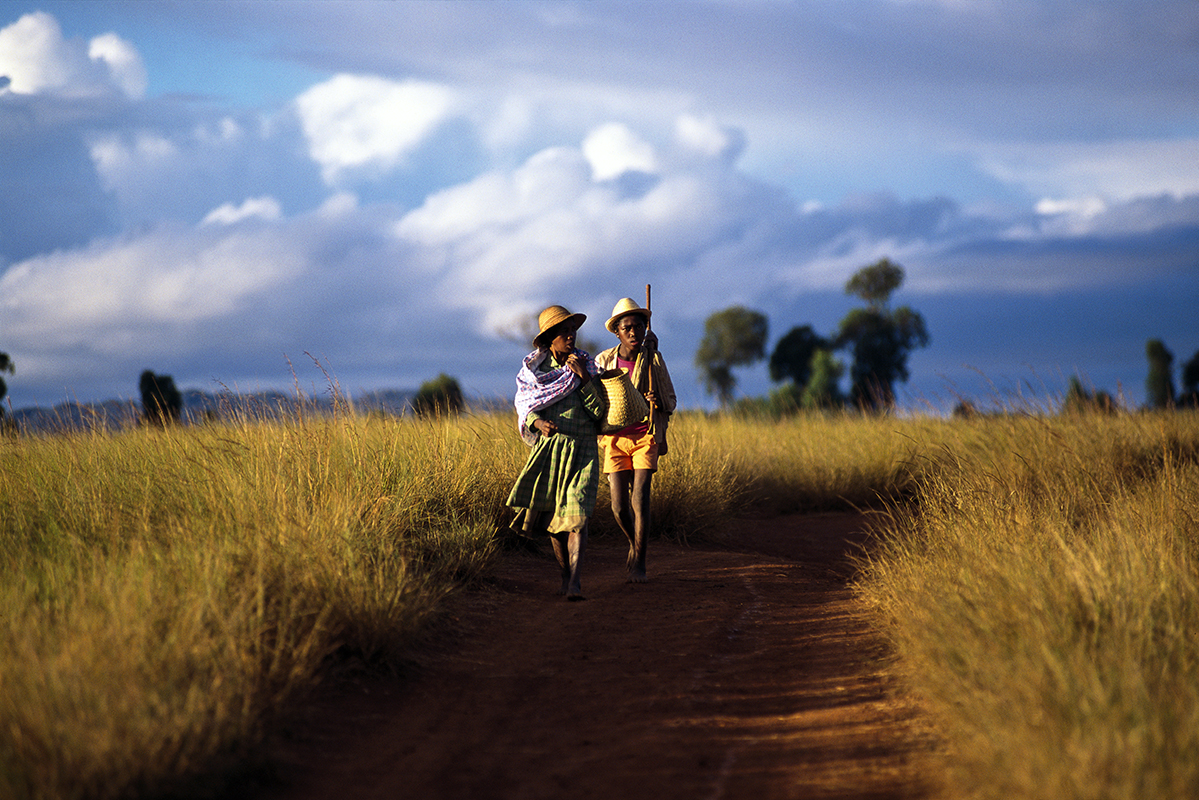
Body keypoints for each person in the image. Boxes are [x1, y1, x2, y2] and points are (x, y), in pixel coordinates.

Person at [507, 304, 607, 600]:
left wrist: (585, 380)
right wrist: (538, 422)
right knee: (554, 521)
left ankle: (575, 582)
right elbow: (525, 408)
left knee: (576, 516)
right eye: (563, 331)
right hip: (550, 451)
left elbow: (599, 411)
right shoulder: (535, 374)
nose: (570, 335)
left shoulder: (586, 367)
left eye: (572, 330)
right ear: (549, 338)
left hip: (583, 451)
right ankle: (565, 574)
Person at [595, 298, 677, 582]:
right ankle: (634, 543)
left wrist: (657, 401)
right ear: (616, 332)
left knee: (640, 497)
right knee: (618, 507)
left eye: (638, 327)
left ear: (645, 329)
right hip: (614, 439)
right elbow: (596, 399)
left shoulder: (653, 359)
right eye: (626, 328)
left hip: (645, 436)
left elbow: (671, 399)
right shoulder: (604, 361)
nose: (633, 333)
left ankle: (640, 561)